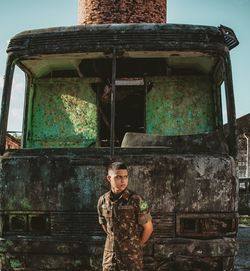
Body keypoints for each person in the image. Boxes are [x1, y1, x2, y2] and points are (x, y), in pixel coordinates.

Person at [97, 161, 153, 271]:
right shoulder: (103, 201)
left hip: (131, 257)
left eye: (125, 177)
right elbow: (104, 225)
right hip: (110, 257)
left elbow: (149, 228)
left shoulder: (137, 200)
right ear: (109, 178)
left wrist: (136, 245)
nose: (123, 181)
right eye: (118, 177)